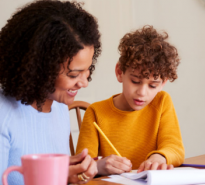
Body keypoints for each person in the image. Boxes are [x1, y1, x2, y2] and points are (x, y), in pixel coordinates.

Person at [0, 1, 101, 184]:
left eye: (88, 70)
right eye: (73, 74)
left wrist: (68, 172)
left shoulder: (59, 106)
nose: (84, 82)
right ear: (40, 68)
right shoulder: (4, 114)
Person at [76, 25, 184, 175]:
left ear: (163, 83)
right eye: (135, 81)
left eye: (153, 85)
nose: (142, 92)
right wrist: (100, 165)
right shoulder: (96, 112)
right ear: (120, 72)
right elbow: (81, 165)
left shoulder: (162, 102)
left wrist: (160, 157)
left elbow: (175, 148)